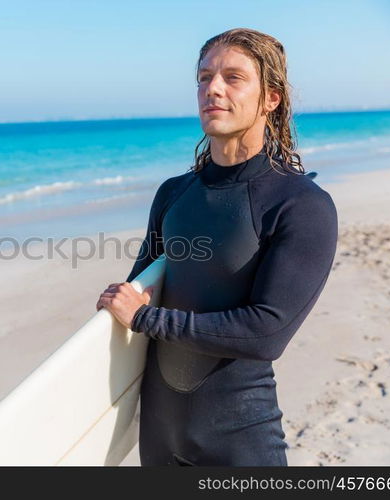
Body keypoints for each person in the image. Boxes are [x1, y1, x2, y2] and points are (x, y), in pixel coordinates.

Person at [96, 28, 338, 466]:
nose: (213, 89)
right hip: (158, 439)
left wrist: (146, 316)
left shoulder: (300, 205)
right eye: (204, 77)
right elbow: (140, 292)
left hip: (238, 445)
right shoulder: (173, 194)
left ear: (271, 99)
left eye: (233, 77)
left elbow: (266, 331)